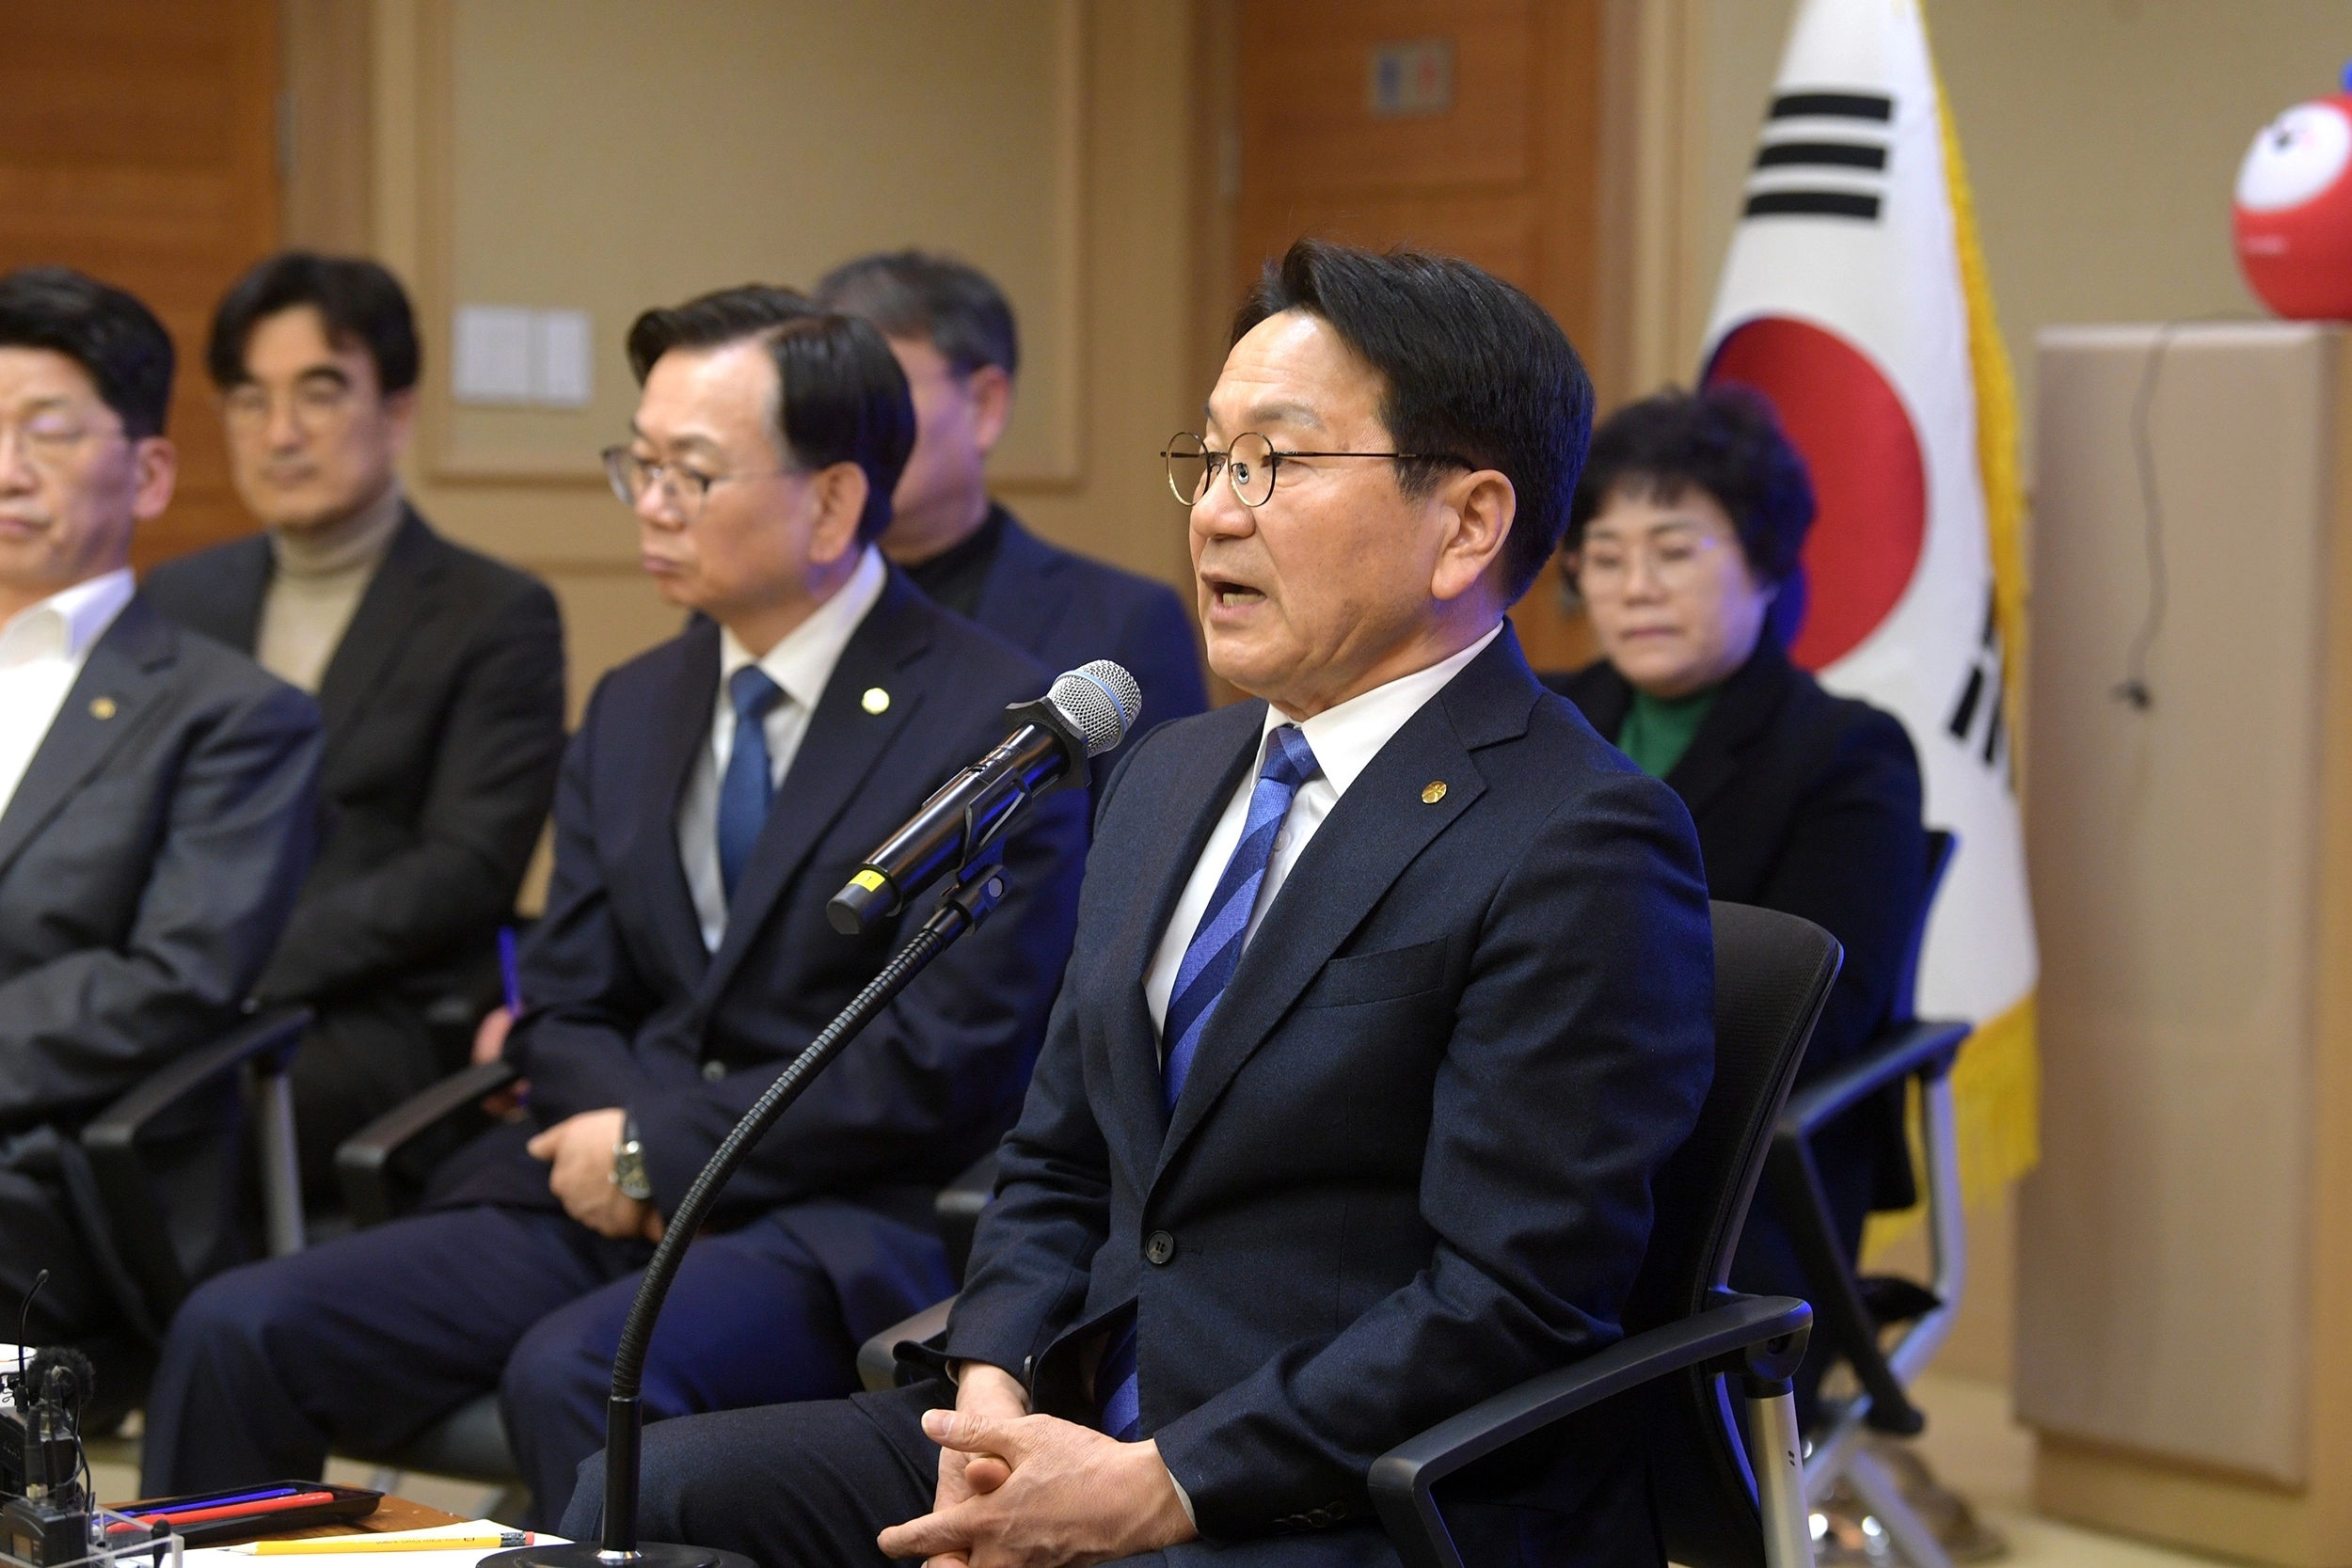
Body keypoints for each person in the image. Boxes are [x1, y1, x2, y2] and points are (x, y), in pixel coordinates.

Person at [577, 241, 1717, 1566]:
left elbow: (1510, 1300)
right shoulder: (1169, 770)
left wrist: (1159, 1484)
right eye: (1211, 459)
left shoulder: (1579, 837)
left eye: (1274, 462)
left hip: (1325, 1489)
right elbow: (1056, 1157)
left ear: (1466, 524)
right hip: (1072, 1413)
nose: (1216, 513)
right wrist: (993, 1383)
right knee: (645, 1489)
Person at [139, 289, 1091, 1525]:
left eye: (690, 473)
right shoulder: (638, 698)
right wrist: (621, 1140)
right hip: (595, 1179)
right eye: (637, 465)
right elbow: (566, 990)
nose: (649, 503)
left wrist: (660, 1146)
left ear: (832, 499)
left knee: (582, 1372)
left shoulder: (992, 726)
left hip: (831, 1212)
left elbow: (939, 1057)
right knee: (237, 1325)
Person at [143, 253, 567, 1200]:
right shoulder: (182, 594)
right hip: (181, 989)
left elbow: (466, 866)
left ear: (398, 411)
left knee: (151, 1123)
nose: (280, 433)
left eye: (319, 393)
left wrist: (231, 964)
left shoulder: (494, 612)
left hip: (374, 1015)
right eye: (249, 399)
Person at [1544, 386, 1927, 1421]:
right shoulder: (1544, 717)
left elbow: (1821, 1014)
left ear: (1763, 561)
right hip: (1532, 1132)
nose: (1635, 586)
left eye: (1673, 551)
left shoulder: (1847, 751)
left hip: (1735, 1167)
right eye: (1604, 555)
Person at [0, 265, 321, 1342]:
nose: (6, 468)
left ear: (147, 474)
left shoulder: (232, 714)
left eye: (47, 431)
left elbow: (174, 978)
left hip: (60, 1170)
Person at [812, 250, 1207, 762]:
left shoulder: (1122, 624)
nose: (845, 425)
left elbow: (1157, 812)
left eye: (878, 391)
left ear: (985, 405)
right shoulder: (775, 601)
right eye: (829, 398)